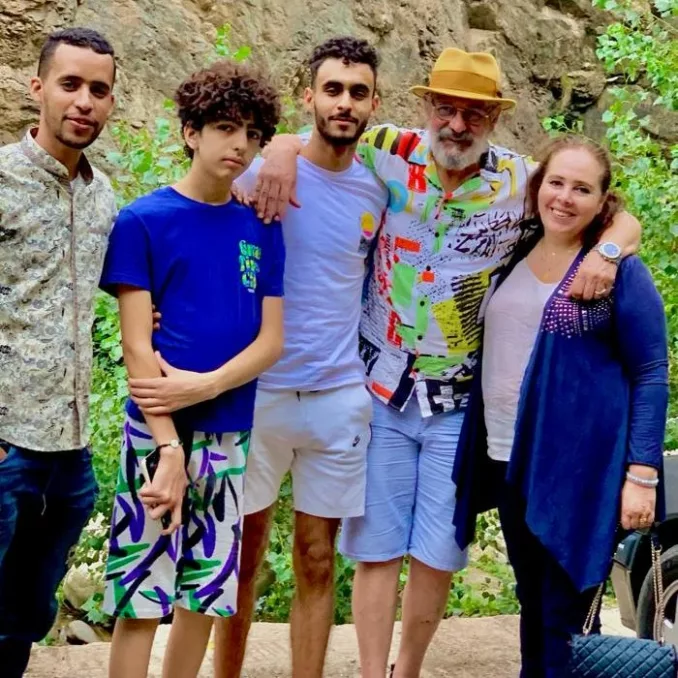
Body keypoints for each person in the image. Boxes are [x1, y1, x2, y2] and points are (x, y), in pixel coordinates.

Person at [253, 47, 642, 678]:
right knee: (377, 547)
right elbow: (315, 138)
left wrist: (609, 253)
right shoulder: (385, 148)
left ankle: (407, 671)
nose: (457, 125)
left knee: (436, 551)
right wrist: (276, 150)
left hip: (460, 402)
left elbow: (615, 213)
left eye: (474, 113)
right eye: (446, 108)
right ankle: (374, 673)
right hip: (380, 388)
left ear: (494, 119)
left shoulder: (521, 182)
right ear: (426, 106)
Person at [129, 37, 387, 678]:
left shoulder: (378, 188)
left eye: (358, 92)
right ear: (309, 96)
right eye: (332, 89)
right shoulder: (248, 173)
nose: (345, 103)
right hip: (256, 393)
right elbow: (195, 227)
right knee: (237, 558)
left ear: (374, 104)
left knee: (317, 557)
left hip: (337, 393)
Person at [452, 135, 668, 677]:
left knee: (564, 615)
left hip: (578, 471)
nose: (565, 198)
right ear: (537, 186)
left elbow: (650, 371)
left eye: (582, 189)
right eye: (556, 182)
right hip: (510, 460)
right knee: (533, 604)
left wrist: (641, 475)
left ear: (602, 200)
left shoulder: (616, 271)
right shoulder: (516, 250)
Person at [100, 61, 285, 678]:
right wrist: (169, 448)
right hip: (155, 436)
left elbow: (271, 341)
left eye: (252, 133)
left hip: (230, 433)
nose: (240, 144)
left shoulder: (261, 228)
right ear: (190, 132)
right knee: (140, 596)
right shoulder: (143, 221)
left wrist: (204, 386)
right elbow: (136, 347)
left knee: (204, 596)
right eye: (226, 128)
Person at [0, 28, 117, 678]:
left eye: (99, 89)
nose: (84, 101)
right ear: (38, 87)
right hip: (6, 445)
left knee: (25, 614)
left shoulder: (104, 199)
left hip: (69, 457)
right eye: (70, 84)